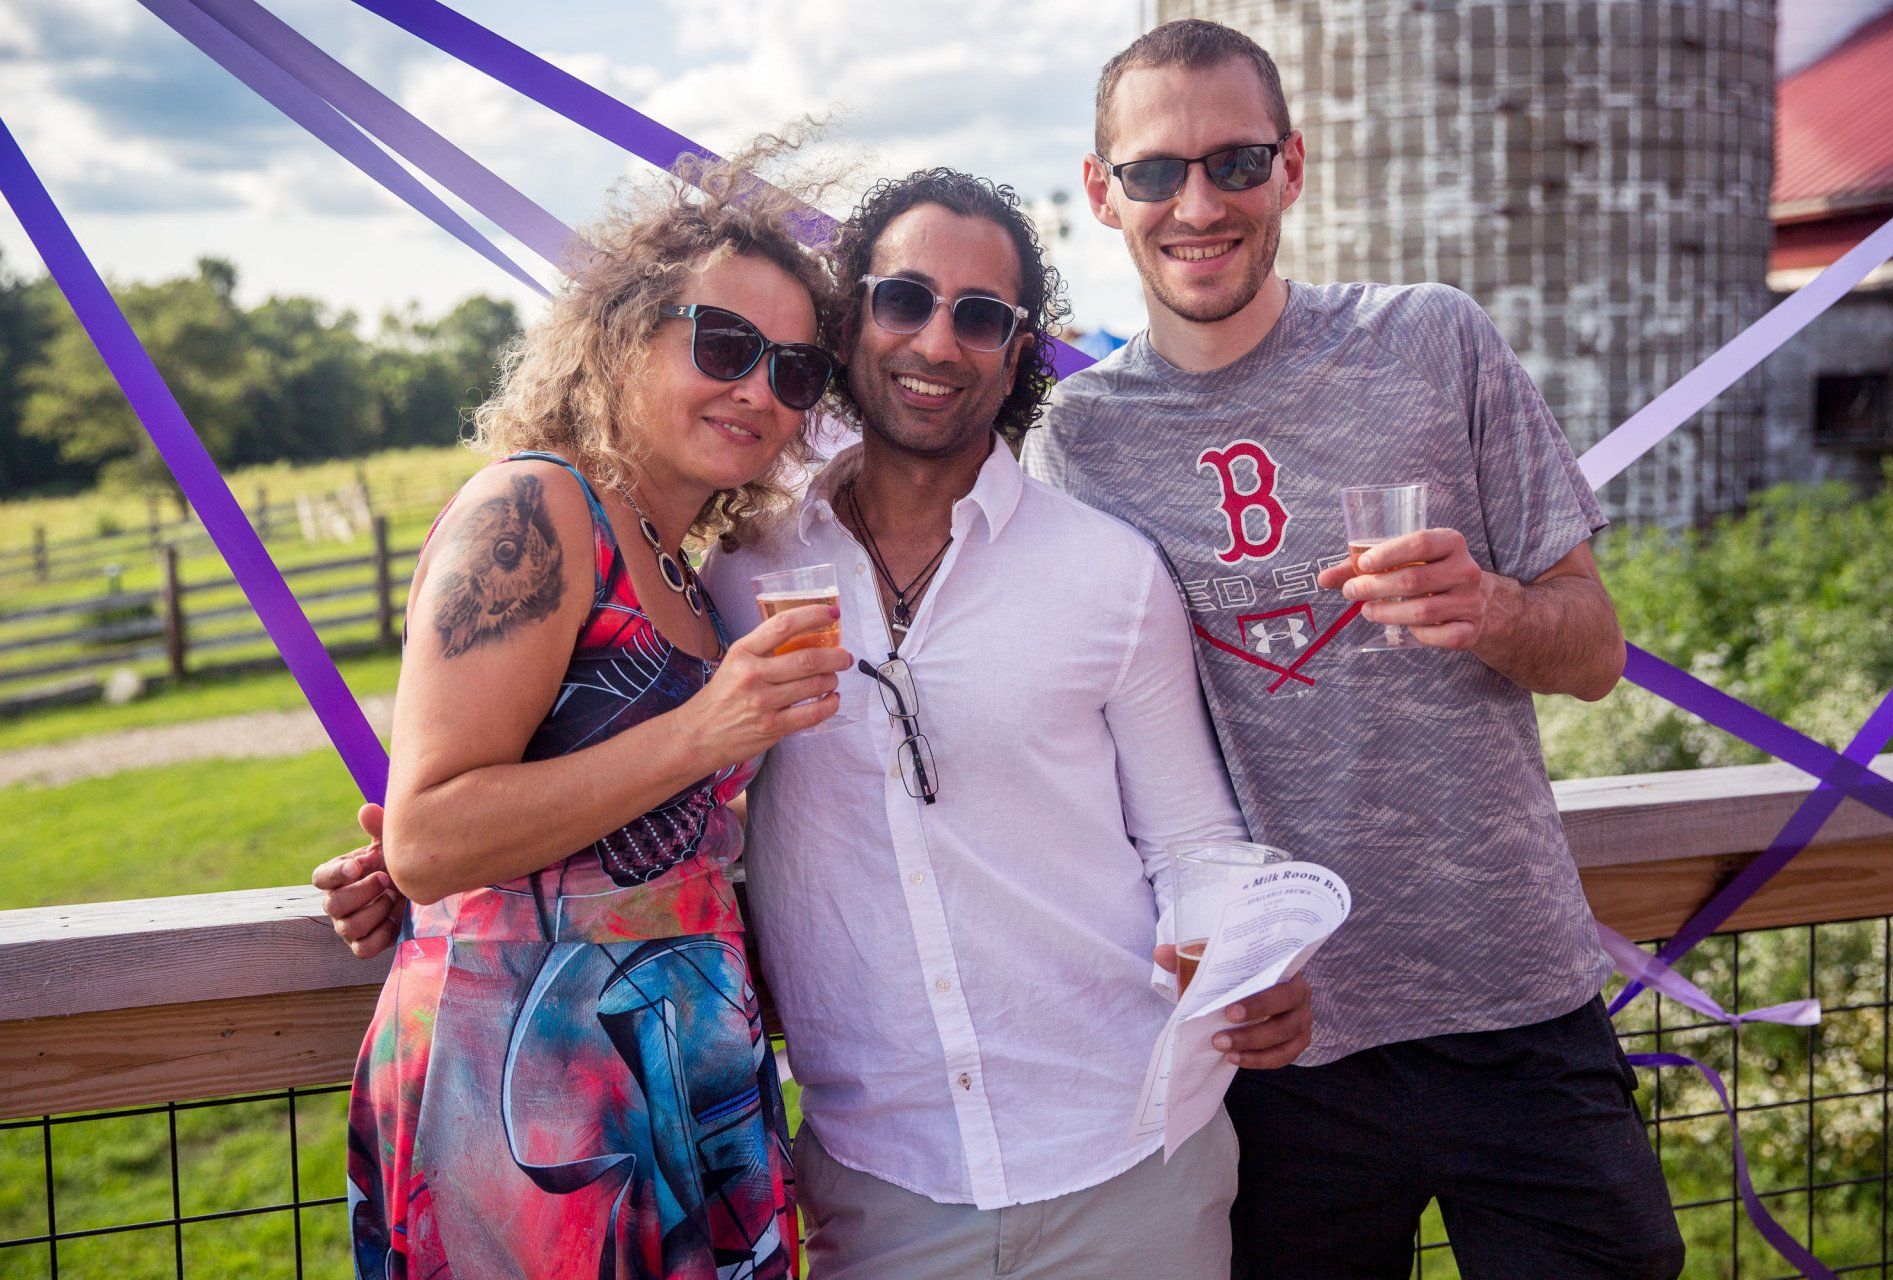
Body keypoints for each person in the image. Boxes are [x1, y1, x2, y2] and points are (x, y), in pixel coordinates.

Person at [320, 167, 1315, 1279]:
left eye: (981, 316)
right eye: (901, 300)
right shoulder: (736, 568)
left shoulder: (1098, 572)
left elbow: (1193, 844)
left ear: (1018, 352)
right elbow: (478, 799)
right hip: (712, 1140)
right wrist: (420, 859)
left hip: (1110, 1149)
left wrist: (1242, 953)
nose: (937, 340)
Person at [1021, 19, 1685, 1280]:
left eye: (1234, 160)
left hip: (1516, 1005)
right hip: (1275, 1041)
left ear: (1293, 168)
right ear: (1104, 194)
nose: (1198, 202)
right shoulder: (1077, 440)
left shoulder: (1431, 340)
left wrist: (1492, 606)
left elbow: (1595, 649)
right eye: (1156, 171)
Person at [335, 153, 852, 1280]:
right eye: (723, 345)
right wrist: (704, 730)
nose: (760, 390)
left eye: (797, 368)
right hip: (533, 1095)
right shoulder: (536, 506)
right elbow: (427, 838)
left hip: (679, 1068)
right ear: (621, 333)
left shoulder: (686, 563)